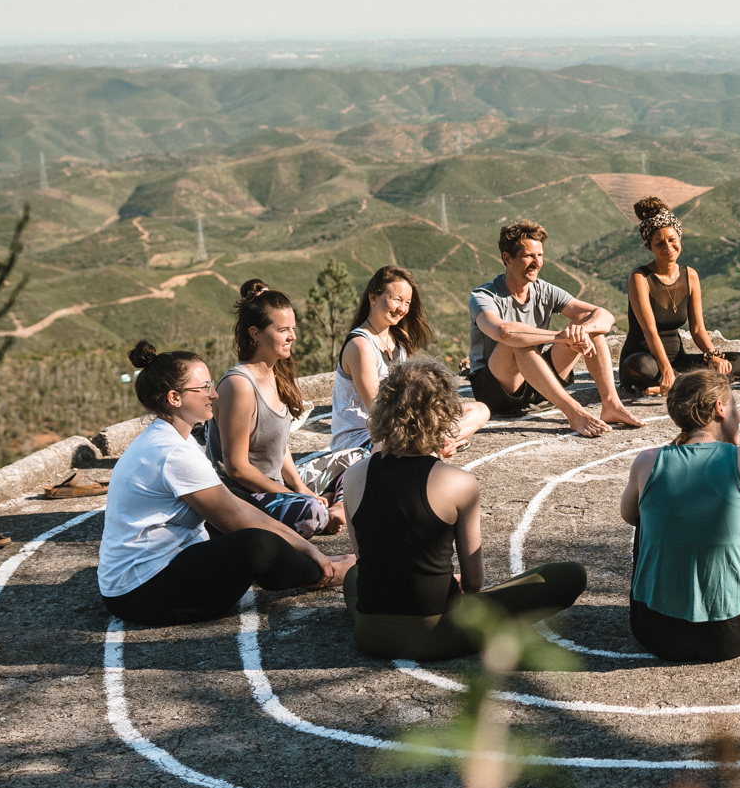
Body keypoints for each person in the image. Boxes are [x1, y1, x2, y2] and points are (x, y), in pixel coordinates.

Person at [340, 359, 588, 662]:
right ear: (443, 416)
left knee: (353, 574)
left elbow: (365, 561)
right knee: (568, 575)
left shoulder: (354, 476)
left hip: (370, 634)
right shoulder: (458, 482)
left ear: (382, 409)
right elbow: (473, 583)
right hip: (436, 633)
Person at [100, 342, 352, 625]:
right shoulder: (173, 452)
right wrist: (312, 554)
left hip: (150, 576)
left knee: (237, 502)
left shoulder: (172, 438)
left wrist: (307, 549)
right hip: (144, 593)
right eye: (204, 387)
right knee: (255, 544)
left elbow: (238, 506)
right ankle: (327, 574)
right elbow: (237, 521)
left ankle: (321, 565)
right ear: (174, 398)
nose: (214, 394)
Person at [620, 369, 740, 663]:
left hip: (654, 632)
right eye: (735, 406)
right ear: (720, 408)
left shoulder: (647, 461)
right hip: (731, 635)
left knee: (647, 512)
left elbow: (629, 516)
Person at [468, 218, 641, 436]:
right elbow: (503, 331)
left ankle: (612, 406)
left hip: (536, 381)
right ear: (507, 258)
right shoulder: (483, 296)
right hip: (496, 390)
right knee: (516, 342)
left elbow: (605, 316)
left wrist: (582, 330)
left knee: (588, 326)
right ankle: (575, 413)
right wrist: (561, 337)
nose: (537, 262)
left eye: (539, 255)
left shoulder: (545, 290)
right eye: (529, 256)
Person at [206, 280, 340, 536]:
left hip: (277, 486)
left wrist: (301, 487)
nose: (293, 336)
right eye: (283, 330)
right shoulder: (239, 385)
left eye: (293, 328)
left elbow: (279, 445)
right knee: (311, 512)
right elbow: (236, 468)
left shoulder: (275, 373)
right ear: (255, 333)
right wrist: (293, 496)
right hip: (242, 498)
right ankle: (328, 510)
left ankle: (334, 508)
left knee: (359, 459)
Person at [332, 265, 491, 454]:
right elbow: (378, 411)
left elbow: (412, 391)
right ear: (373, 297)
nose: (402, 309)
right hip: (365, 438)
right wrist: (423, 431)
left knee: (480, 410)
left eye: (407, 302)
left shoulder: (400, 339)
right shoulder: (360, 345)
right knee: (412, 452)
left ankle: (441, 442)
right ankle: (438, 446)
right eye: (396, 300)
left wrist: (430, 420)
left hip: (399, 425)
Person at [618, 196, 740, 395]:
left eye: (672, 240)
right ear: (650, 246)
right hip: (647, 359)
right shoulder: (640, 278)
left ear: (680, 238)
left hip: (678, 360)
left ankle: (677, 383)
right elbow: (649, 332)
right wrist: (665, 370)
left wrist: (713, 356)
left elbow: (698, 329)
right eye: (660, 243)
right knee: (637, 365)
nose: (668, 248)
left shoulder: (690, 275)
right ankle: (683, 381)